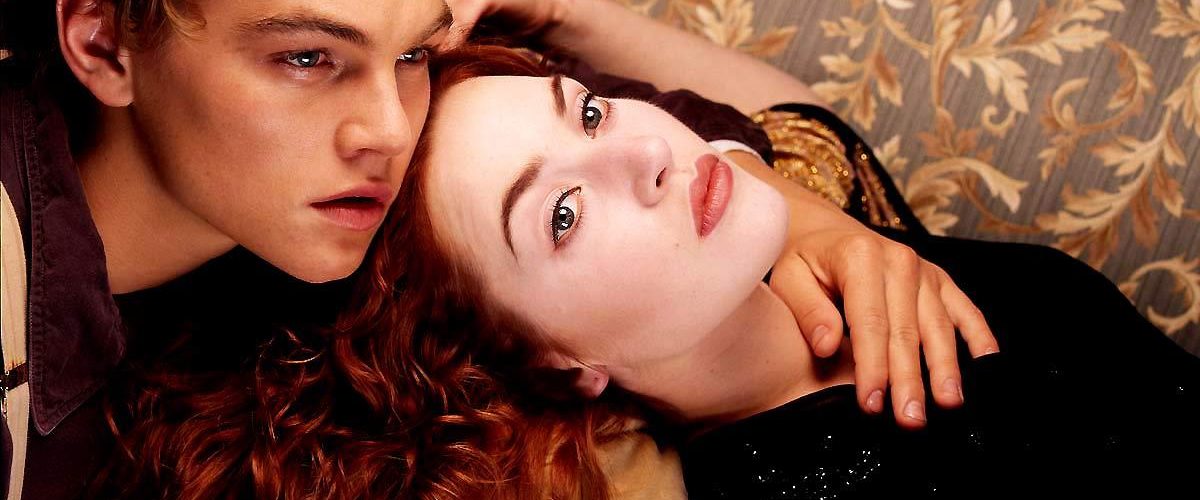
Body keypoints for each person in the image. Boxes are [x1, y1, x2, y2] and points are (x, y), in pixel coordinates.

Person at [0, 0, 994, 496]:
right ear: (102, 43)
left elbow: (655, 135)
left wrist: (815, 221)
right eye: (306, 58)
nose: (388, 127)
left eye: (413, 54)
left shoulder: (325, 218)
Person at [371, 44, 1200, 498]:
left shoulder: (824, 236)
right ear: (555, 362)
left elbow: (796, 118)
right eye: (563, 214)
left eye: (588, 111)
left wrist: (556, 9)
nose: (650, 148)